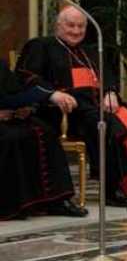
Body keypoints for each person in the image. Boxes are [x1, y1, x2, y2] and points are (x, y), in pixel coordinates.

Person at [17, 6, 127, 207]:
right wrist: (53, 94)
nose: (76, 31)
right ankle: (112, 189)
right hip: (65, 112)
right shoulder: (41, 45)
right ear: (58, 26)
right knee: (107, 124)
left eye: (81, 27)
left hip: (96, 107)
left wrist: (110, 93)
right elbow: (26, 76)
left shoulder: (91, 51)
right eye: (70, 25)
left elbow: (108, 78)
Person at [0, 60, 86, 219]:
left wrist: (25, 108)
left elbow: (13, 92)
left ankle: (57, 200)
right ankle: (14, 205)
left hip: (8, 117)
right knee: (12, 137)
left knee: (45, 131)